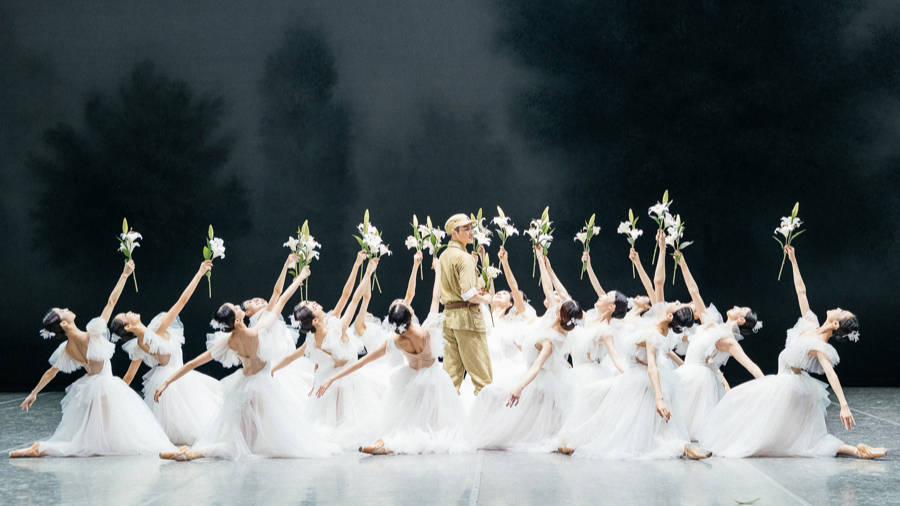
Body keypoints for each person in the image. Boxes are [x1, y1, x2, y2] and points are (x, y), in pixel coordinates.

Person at [698, 245, 886, 459]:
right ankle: (854, 450)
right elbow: (801, 292)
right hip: (790, 384)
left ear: (835, 323)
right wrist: (793, 260)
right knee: (795, 438)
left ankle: (853, 450)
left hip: (789, 387)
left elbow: (830, 373)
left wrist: (844, 405)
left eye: (841, 311)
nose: (837, 307)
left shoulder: (819, 345)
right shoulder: (810, 323)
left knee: (752, 414)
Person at [155, 267, 337, 460]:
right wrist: (300, 277)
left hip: (244, 387)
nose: (238, 307)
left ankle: (190, 452)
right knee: (243, 444)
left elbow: (192, 363)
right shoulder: (258, 331)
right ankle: (192, 454)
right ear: (236, 319)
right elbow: (281, 299)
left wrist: (166, 382)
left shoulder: (229, 341)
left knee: (245, 438)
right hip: (261, 388)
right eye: (236, 308)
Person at [11, 261, 176, 458]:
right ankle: (41, 448)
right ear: (63, 323)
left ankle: (41, 448)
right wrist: (124, 275)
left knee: (94, 440)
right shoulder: (93, 333)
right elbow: (111, 302)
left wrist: (34, 393)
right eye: (63, 310)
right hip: (106, 387)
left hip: (91, 390)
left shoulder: (67, 349)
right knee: (103, 441)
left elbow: (51, 372)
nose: (67, 308)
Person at [315, 255, 468, 455]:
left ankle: (385, 443)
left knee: (402, 424)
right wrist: (438, 270)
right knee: (431, 425)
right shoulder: (428, 330)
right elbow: (436, 297)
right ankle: (388, 444)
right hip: (434, 379)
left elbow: (360, 363)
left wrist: (331, 379)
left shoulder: (395, 341)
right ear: (410, 315)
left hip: (411, 381)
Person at [112, 260, 223, 445]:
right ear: (129, 326)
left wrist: (114, 398)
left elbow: (129, 377)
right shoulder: (156, 329)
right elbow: (182, 301)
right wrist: (199, 273)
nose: (129, 311)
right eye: (126, 315)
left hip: (168, 380)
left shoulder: (140, 344)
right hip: (176, 380)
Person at [672, 250, 764, 440]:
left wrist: (768, 386)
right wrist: (682, 264)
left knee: (685, 428)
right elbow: (694, 292)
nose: (736, 306)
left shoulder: (728, 339)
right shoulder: (712, 323)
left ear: (740, 320)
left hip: (697, 378)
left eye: (740, 309)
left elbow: (750, 364)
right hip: (688, 371)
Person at [439, 213, 493, 395]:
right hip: (467, 319)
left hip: (449, 318)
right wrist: (486, 299)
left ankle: (444, 412)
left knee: (450, 377)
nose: (471, 232)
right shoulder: (464, 257)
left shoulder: (444, 256)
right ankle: (488, 413)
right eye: (466, 229)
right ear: (454, 233)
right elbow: (469, 294)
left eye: (471, 228)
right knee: (483, 378)